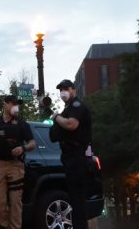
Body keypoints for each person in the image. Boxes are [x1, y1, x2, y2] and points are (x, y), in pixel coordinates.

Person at [0, 95, 36, 229]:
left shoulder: (22, 123)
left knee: (16, 202)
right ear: (4, 104)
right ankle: (5, 226)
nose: (16, 106)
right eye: (13, 103)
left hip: (16, 165)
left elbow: (32, 143)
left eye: (17, 104)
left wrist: (23, 148)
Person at [50, 79, 93, 229]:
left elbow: (71, 125)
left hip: (78, 156)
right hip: (70, 157)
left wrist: (56, 117)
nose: (63, 92)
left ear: (73, 89)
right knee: (74, 199)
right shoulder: (67, 109)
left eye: (65, 88)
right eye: (60, 89)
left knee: (78, 200)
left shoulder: (77, 106)